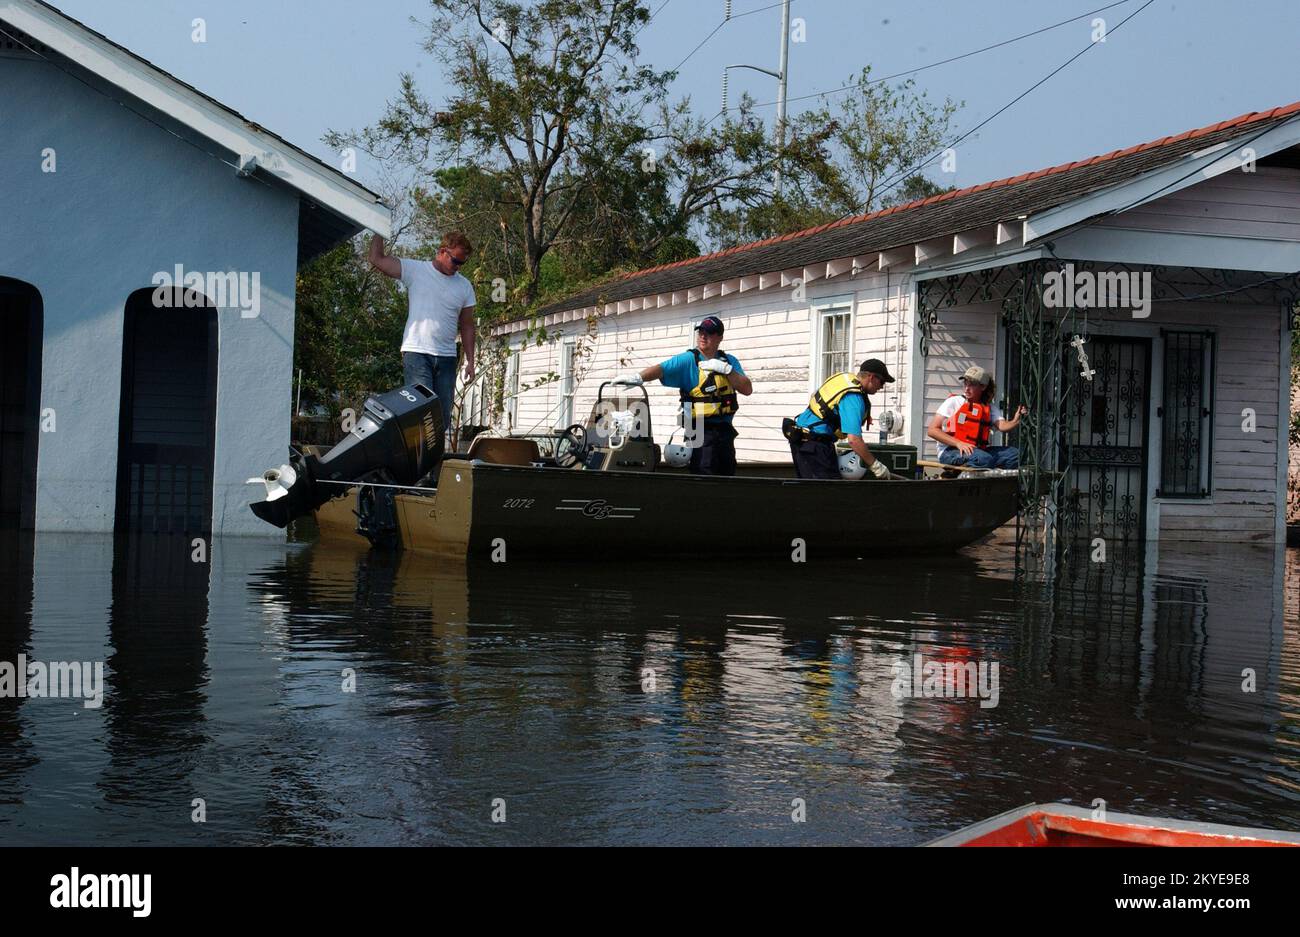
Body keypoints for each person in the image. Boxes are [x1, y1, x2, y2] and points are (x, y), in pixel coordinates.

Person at [368, 231, 477, 432]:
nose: (458, 267)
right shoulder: (416, 270)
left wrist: (471, 360)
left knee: (442, 418)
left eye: (463, 263)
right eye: (456, 261)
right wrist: (378, 228)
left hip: (446, 357)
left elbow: (468, 325)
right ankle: (415, 461)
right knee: (421, 412)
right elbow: (377, 259)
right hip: (417, 353)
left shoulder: (464, 286)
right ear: (443, 252)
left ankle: (432, 463)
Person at [617, 316, 753, 475]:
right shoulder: (689, 360)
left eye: (708, 333)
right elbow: (662, 369)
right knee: (704, 472)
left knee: (727, 471)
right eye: (701, 332)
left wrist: (727, 370)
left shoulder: (729, 361)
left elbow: (747, 389)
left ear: (720, 337)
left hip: (725, 430)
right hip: (699, 429)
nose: (703, 336)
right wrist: (638, 378)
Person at [783, 359, 895, 480]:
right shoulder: (854, 397)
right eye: (882, 382)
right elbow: (854, 440)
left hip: (801, 439)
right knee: (829, 493)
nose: (882, 387)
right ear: (871, 377)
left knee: (811, 492)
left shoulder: (845, 380)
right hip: (814, 446)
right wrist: (876, 466)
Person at [926, 365, 1027, 470]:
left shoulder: (989, 407)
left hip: (978, 451)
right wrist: (959, 443)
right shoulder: (954, 402)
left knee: (1016, 455)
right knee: (984, 459)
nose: (966, 388)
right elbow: (932, 430)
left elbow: (1002, 426)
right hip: (951, 451)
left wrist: (1015, 421)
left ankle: (990, 475)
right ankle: (960, 474)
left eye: (972, 384)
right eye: (965, 383)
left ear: (983, 387)